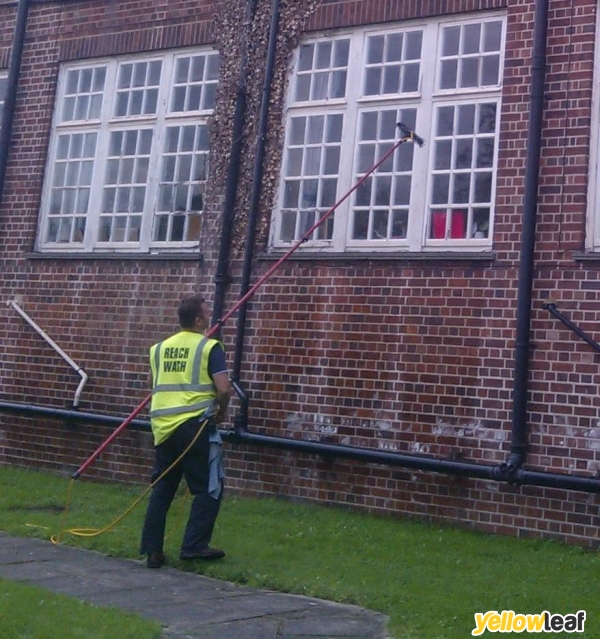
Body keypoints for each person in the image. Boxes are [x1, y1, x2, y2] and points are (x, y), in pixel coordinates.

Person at [140, 294, 231, 569]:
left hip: (163, 428)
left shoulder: (158, 349)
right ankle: (194, 545)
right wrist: (222, 412)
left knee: (163, 489)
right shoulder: (210, 347)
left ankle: (152, 551)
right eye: (206, 313)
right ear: (198, 320)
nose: (209, 317)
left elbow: (155, 385)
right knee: (208, 487)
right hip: (195, 425)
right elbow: (224, 388)